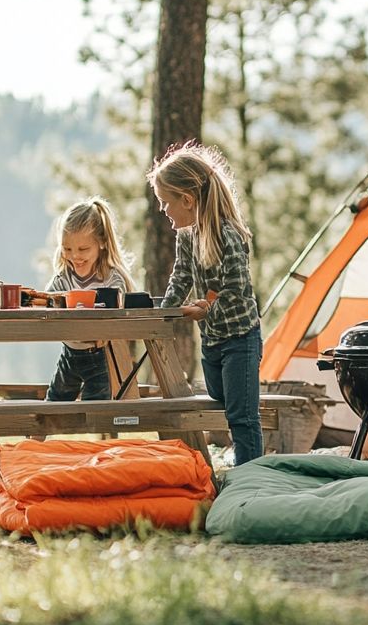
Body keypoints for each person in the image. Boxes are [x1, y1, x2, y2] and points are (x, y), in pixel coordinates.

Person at [147, 141, 264, 465]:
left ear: (186, 200)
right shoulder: (187, 235)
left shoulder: (228, 234)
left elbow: (236, 288)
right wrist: (165, 313)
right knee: (219, 396)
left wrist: (206, 308)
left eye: (165, 203)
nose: (163, 210)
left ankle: (251, 480)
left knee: (242, 417)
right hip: (212, 340)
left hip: (240, 339)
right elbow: (181, 277)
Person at [44, 197, 135, 401]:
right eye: (67, 249)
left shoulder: (111, 279)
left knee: (97, 409)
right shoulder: (63, 278)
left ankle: (107, 432)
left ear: (102, 242)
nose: (75, 256)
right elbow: (46, 303)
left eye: (83, 249)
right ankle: (35, 435)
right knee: (52, 405)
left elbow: (119, 314)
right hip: (69, 353)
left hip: (100, 355)